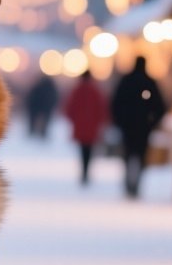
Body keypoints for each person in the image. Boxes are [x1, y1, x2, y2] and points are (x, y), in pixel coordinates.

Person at [110, 56, 166, 199]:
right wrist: (152, 123)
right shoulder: (149, 82)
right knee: (141, 157)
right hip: (143, 128)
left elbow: (115, 103)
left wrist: (120, 121)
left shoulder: (126, 81)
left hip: (127, 126)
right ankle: (136, 185)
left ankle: (128, 184)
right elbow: (160, 106)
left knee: (128, 155)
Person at [63, 71, 108, 186]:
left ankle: (84, 172)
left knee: (82, 150)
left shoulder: (77, 90)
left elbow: (69, 108)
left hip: (80, 126)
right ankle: (86, 171)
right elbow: (101, 109)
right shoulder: (96, 91)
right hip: (92, 127)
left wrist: (74, 120)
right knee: (89, 150)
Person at [26, 73, 59, 139]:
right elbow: (55, 97)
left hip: (36, 107)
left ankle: (32, 133)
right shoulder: (52, 87)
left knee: (33, 121)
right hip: (46, 108)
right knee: (45, 122)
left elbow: (32, 97)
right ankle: (43, 134)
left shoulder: (37, 86)